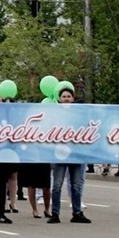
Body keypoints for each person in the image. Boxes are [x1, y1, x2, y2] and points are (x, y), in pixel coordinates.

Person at [48, 87, 90, 224]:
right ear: (59, 99)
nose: (66, 99)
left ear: (73, 98)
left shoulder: (79, 114)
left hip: (76, 153)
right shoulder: (55, 114)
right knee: (57, 185)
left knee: (77, 185)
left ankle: (77, 213)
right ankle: (55, 213)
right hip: (59, 154)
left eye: (69, 96)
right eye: (64, 96)